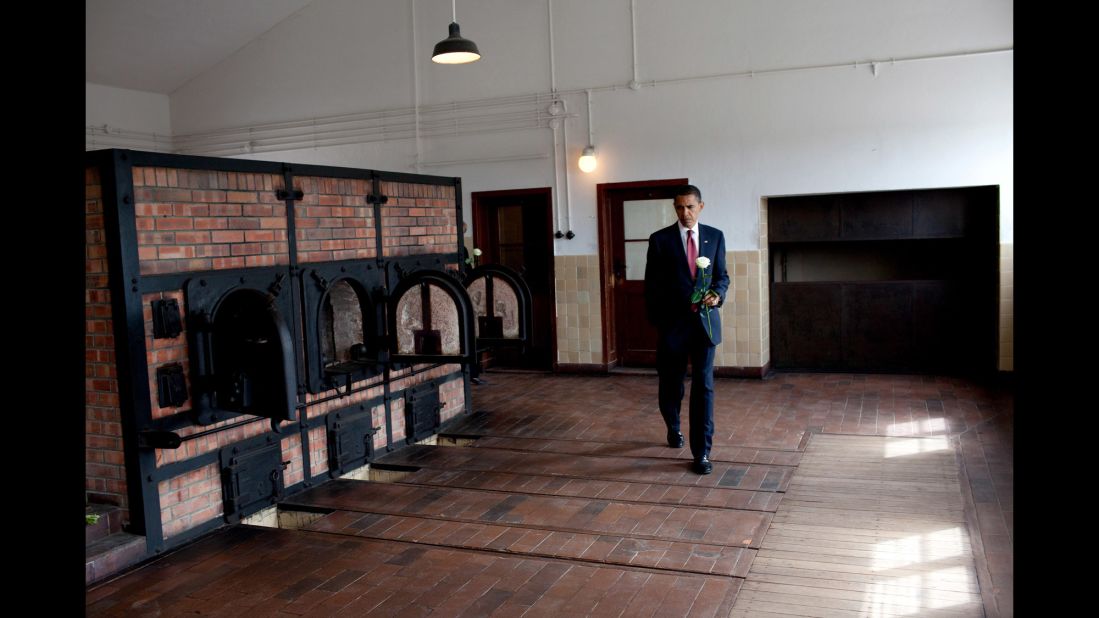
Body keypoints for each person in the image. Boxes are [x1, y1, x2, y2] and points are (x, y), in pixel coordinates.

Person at [643, 184, 729, 474]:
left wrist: (717, 294)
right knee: (671, 384)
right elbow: (651, 286)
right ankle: (673, 426)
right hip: (673, 327)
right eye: (680, 207)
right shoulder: (660, 240)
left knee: (704, 387)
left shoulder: (715, 237)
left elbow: (722, 276)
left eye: (690, 207)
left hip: (705, 325)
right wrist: (661, 322)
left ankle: (701, 453)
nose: (685, 212)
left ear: (701, 206)